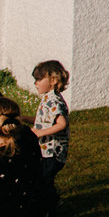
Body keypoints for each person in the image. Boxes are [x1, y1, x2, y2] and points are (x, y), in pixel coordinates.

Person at [29, 60, 70, 188]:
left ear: (53, 81)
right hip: (46, 150)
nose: (35, 83)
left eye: (39, 79)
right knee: (44, 179)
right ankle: (51, 200)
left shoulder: (53, 101)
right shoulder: (48, 97)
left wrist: (39, 133)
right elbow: (46, 121)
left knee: (43, 179)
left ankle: (48, 203)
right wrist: (26, 119)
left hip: (52, 152)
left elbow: (61, 124)